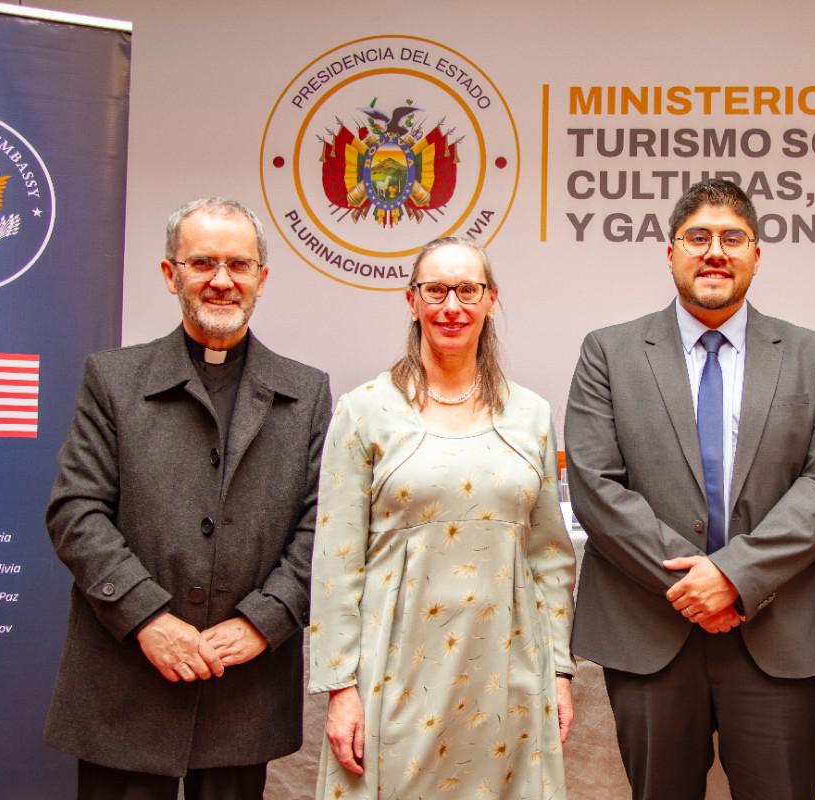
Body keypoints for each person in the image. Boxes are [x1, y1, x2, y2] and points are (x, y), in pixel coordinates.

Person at [565, 179, 815, 800]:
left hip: (775, 630)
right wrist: (689, 583)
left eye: (733, 238)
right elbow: (596, 487)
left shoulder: (814, 356)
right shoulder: (609, 353)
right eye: (697, 237)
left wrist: (733, 578)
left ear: (757, 253)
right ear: (670, 252)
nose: (715, 252)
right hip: (649, 629)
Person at [44, 197, 333, 799]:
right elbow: (76, 511)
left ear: (262, 277)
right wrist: (147, 617)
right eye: (202, 263)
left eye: (239, 265)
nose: (222, 281)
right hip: (127, 678)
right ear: (170, 273)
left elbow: (322, 524)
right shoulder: (112, 378)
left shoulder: (306, 393)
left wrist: (265, 620)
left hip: (243, 682)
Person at [309, 237, 576, 800]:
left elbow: (550, 556)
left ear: (490, 299)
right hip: (394, 675)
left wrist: (559, 673)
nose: (451, 306)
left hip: (509, 675)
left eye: (467, 290)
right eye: (436, 290)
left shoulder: (530, 416)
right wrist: (340, 688)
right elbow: (336, 563)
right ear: (412, 301)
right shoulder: (364, 412)